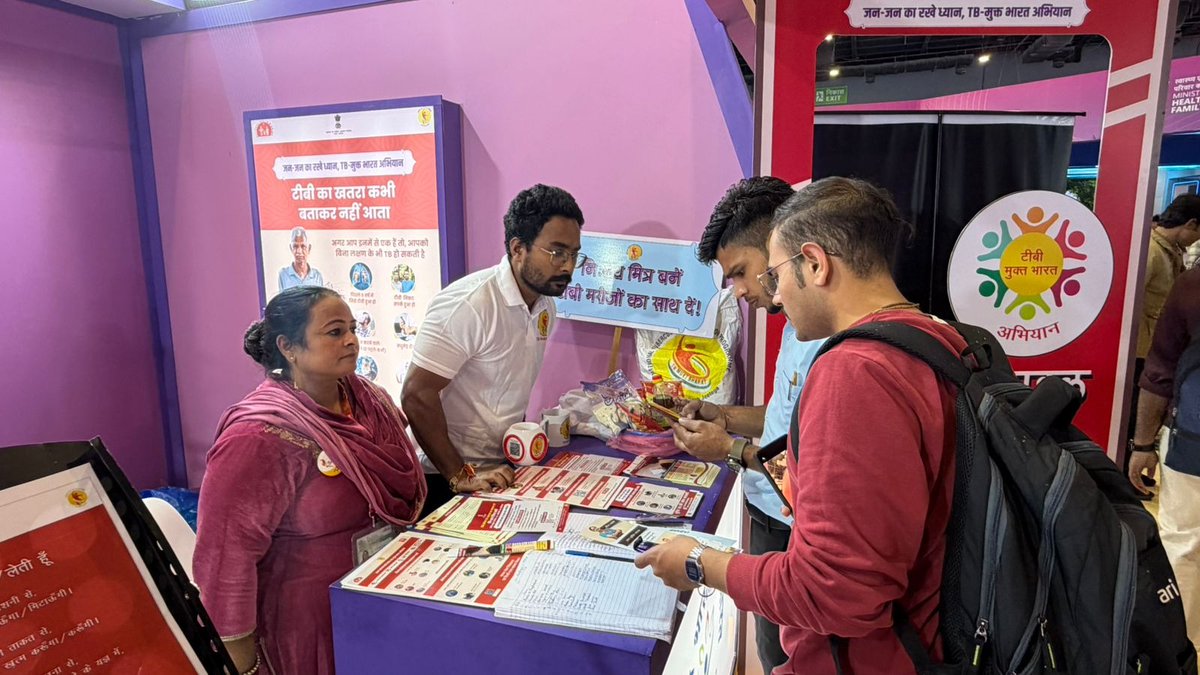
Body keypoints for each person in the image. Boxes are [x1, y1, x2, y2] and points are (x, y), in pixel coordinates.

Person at [637, 177, 965, 674]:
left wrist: (698, 563)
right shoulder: (940, 339)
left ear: (814, 263)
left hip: (872, 656)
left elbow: (837, 592)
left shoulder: (853, 371)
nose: (769, 292)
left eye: (771, 272)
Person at [194, 286, 427, 675]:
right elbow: (224, 562)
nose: (352, 340)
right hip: (307, 629)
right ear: (288, 346)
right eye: (335, 332)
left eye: (353, 329)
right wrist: (243, 667)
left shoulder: (370, 401)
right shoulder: (259, 437)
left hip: (382, 598)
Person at [671, 176, 824, 673]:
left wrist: (729, 450)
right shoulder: (800, 324)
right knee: (773, 650)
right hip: (766, 512)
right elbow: (784, 416)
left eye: (740, 273)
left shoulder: (837, 343)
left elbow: (812, 473)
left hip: (794, 527)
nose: (737, 292)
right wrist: (725, 416)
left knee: (790, 658)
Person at [402, 184, 585, 514]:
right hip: (441, 477)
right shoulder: (468, 305)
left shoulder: (545, 307)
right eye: (557, 253)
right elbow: (416, 394)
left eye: (574, 255)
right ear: (518, 248)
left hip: (499, 470)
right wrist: (460, 475)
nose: (568, 267)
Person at [1129, 265, 1200, 648]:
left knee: (1185, 545)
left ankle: (1181, 649)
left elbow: (1160, 369)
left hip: (1192, 442)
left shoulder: (1194, 283)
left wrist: (1142, 445)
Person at [1130, 196, 1200, 450]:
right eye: (1197, 233)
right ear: (1191, 224)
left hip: (1152, 352)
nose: (1196, 241)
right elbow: (1128, 303)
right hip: (1140, 352)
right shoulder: (1150, 252)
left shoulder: (1169, 252)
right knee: (1135, 413)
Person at [278, 226, 325, 291]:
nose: (299, 251)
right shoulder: (283, 275)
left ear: (309, 248)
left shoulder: (317, 276)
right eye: (295, 246)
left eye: (303, 246)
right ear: (291, 248)